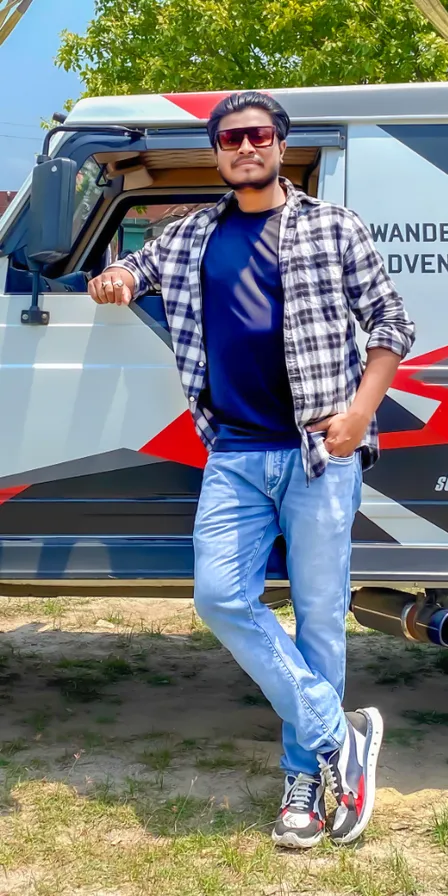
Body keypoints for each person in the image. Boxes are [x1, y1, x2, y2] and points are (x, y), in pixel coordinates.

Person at [89, 91, 416, 849]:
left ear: (279, 143)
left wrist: (363, 412)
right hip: (234, 455)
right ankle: (342, 737)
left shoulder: (334, 228)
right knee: (219, 596)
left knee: (320, 621)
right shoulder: (190, 234)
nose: (246, 146)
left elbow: (391, 324)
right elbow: (132, 272)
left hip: (318, 454)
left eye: (259, 134)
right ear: (217, 152)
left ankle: (306, 781)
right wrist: (112, 283)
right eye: (231, 137)